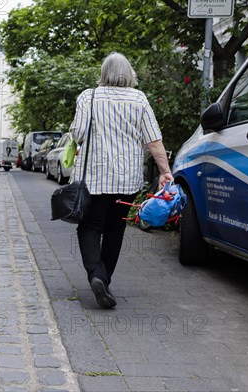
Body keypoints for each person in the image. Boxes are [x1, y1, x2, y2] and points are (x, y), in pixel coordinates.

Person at [70, 52, 173, 309]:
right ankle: (104, 280)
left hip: (94, 177)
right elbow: (153, 140)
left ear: (103, 73)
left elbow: (79, 134)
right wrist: (165, 171)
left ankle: (96, 274)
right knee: (116, 228)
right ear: (129, 74)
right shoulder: (139, 99)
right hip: (126, 179)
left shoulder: (89, 96)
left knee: (90, 226)